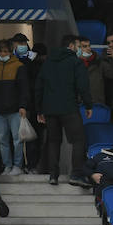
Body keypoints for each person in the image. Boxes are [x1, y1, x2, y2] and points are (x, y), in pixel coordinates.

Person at [33, 34, 92, 187]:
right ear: (71, 46)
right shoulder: (75, 62)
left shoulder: (48, 63)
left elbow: (38, 86)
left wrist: (39, 110)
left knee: (53, 142)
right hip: (69, 108)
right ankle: (76, 174)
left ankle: (53, 175)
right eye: (78, 46)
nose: (79, 49)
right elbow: (83, 86)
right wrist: (88, 105)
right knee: (78, 140)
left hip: (50, 110)